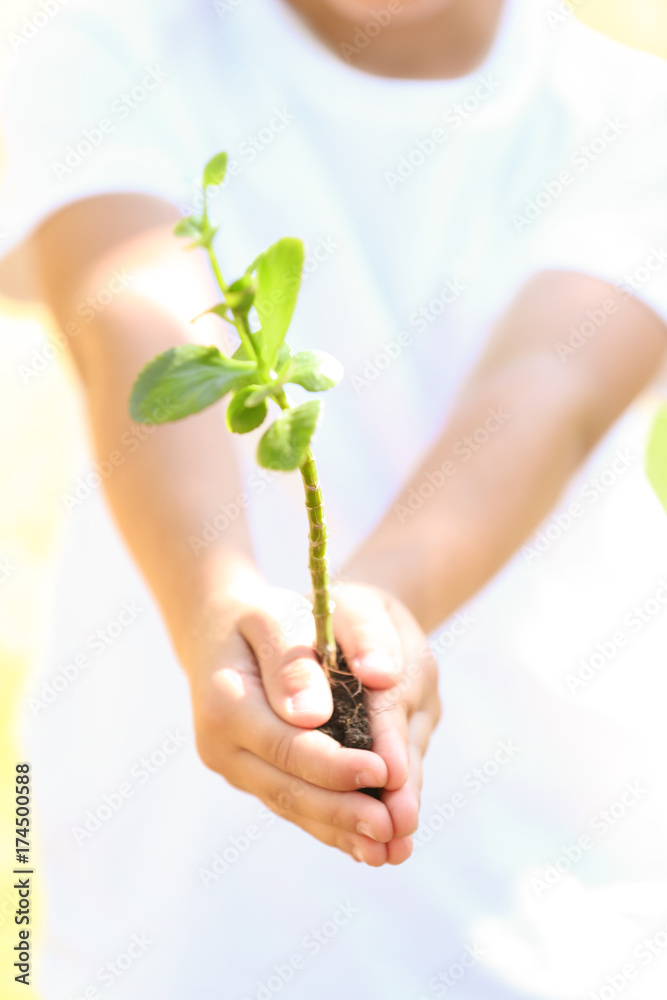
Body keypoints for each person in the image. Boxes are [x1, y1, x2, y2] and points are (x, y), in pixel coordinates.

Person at [2, 0, 667, 995]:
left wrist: (381, 614)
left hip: (540, 922)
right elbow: (134, 315)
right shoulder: (112, 45)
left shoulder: (628, 122)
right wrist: (215, 595)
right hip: (174, 934)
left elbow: (545, 397)